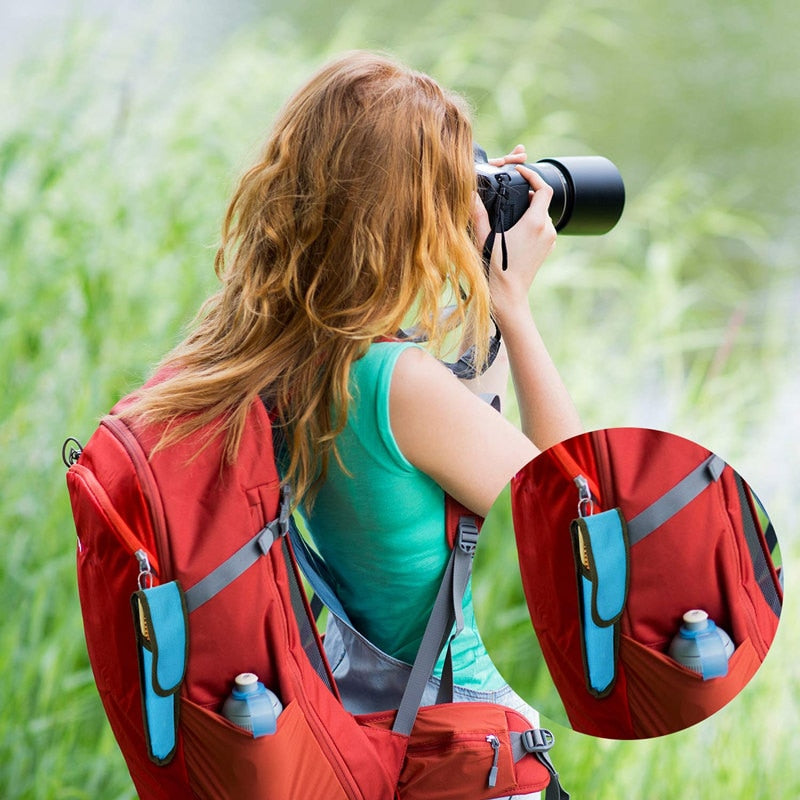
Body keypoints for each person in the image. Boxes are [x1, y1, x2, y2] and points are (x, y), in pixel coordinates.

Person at [122, 50, 581, 797]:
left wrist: (474, 286)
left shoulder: (277, 356)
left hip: (359, 720)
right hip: (459, 748)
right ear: (407, 212)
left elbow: (448, 430)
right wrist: (517, 312)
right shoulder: (398, 386)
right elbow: (580, 519)